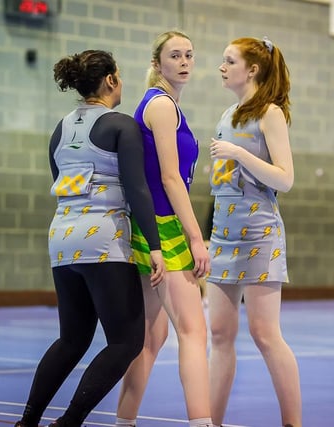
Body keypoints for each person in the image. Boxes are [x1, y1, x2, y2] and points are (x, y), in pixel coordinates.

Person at [14, 49, 166, 427]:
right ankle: (70, 421)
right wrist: (157, 246)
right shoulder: (120, 125)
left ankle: (27, 420)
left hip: (62, 235)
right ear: (111, 80)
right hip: (103, 240)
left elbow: (57, 180)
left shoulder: (60, 127)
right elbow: (137, 188)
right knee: (125, 342)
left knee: (72, 339)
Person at [115, 31, 212, 427]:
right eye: (175, 55)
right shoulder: (161, 106)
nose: (184, 61)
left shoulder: (163, 105)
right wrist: (194, 237)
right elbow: (171, 179)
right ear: (158, 64)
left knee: (151, 339)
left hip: (148, 225)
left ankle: (124, 421)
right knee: (193, 331)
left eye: (189, 54)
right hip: (164, 226)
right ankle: (201, 421)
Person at [206, 36, 301, 427]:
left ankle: (292, 423)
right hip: (223, 237)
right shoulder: (228, 113)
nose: (222, 67)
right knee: (219, 335)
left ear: (253, 69)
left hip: (260, 236)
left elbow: (286, 179)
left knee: (265, 334)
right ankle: (210, 421)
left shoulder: (270, 114)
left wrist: (240, 154)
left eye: (229, 61)